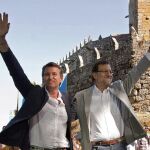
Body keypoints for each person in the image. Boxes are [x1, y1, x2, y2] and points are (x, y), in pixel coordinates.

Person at [0, 13, 72, 150]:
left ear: (61, 79)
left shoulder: (67, 99)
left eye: (54, 74)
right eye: (46, 74)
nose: (50, 77)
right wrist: (3, 44)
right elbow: (17, 74)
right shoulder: (34, 94)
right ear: (42, 78)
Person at [71, 51, 150, 149]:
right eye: (105, 71)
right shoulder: (81, 97)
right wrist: (72, 139)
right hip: (97, 147)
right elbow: (67, 120)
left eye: (110, 71)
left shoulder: (119, 89)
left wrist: (148, 55)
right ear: (95, 75)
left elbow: (136, 72)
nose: (109, 74)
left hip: (121, 145)